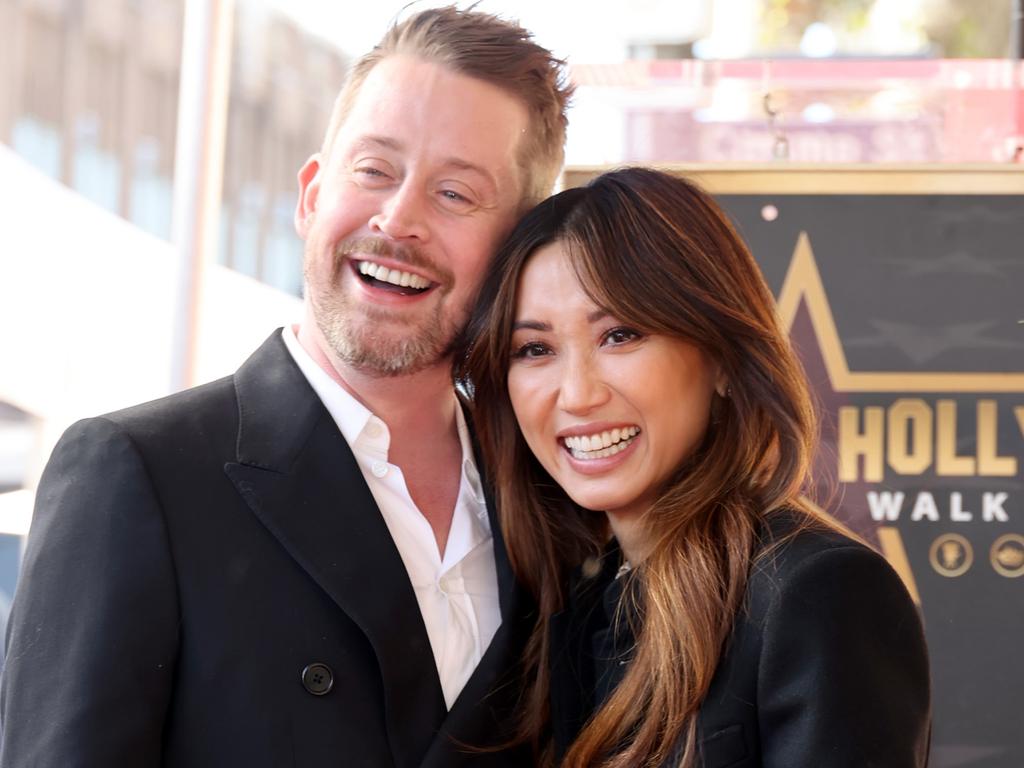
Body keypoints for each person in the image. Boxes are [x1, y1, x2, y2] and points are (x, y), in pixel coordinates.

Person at [0, 8, 572, 767]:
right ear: (310, 194)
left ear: (518, 248)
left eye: (455, 194)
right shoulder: (138, 475)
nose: (397, 219)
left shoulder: (553, 494)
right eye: (374, 170)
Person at [460, 167, 932, 767]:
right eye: (535, 349)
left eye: (621, 335)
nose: (575, 394)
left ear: (723, 360)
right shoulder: (580, 597)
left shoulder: (818, 593)